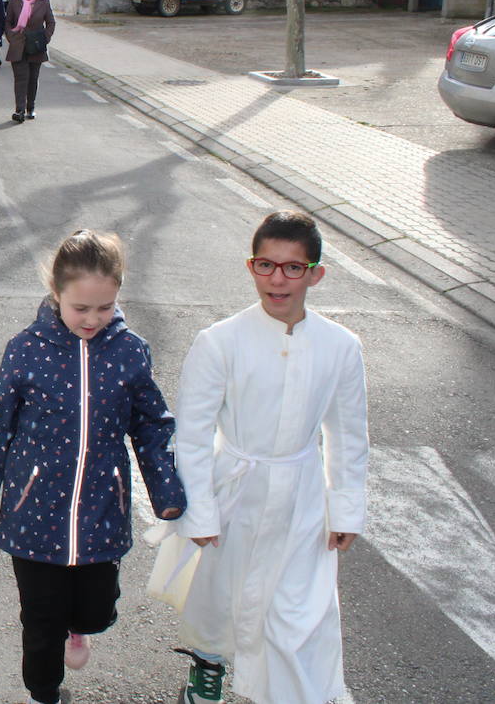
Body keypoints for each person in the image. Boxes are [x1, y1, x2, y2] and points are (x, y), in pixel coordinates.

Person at [147, 210, 368, 704]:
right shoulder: (220, 341)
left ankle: (299, 691)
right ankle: (207, 665)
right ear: (250, 267)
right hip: (236, 490)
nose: (277, 279)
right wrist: (199, 508)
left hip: (302, 498)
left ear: (315, 274)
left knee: (299, 611)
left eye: (293, 268)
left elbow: (349, 434)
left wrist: (346, 506)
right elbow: (195, 433)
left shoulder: (340, 347)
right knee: (220, 594)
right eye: (265, 265)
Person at [0, 229, 186, 704]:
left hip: (102, 508)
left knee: (95, 609)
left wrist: (166, 492)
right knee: (40, 617)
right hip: (34, 510)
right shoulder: (27, 349)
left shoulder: (129, 351)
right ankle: (43, 691)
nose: (93, 319)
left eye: (104, 307)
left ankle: (79, 627)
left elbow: (151, 425)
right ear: (55, 292)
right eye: (80, 308)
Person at [5, 0, 56, 123]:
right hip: (18, 44)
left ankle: (30, 108)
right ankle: (19, 110)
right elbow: (8, 22)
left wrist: (45, 38)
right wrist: (11, 37)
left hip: (36, 45)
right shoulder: (14, 1)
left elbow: (51, 22)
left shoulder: (44, 1)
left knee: (32, 79)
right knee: (20, 78)